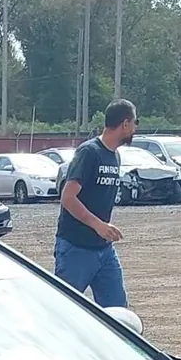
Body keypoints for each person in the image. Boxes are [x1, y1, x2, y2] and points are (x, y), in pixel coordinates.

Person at [54, 99, 138, 308]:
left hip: (104, 249)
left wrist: (102, 230)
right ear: (125, 124)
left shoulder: (114, 156)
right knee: (65, 309)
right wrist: (98, 225)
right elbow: (68, 197)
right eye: (135, 123)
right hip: (76, 248)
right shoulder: (89, 152)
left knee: (118, 312)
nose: (135, 128)